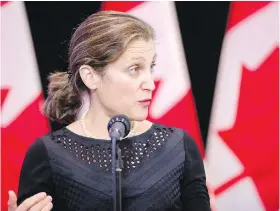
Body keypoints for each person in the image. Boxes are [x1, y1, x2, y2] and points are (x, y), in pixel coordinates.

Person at [7, 10, 211, 211]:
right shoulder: (47, 154)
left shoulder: (179, 147)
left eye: (151, 67)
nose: (150, 83)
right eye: (134, 69)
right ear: (91, 76)